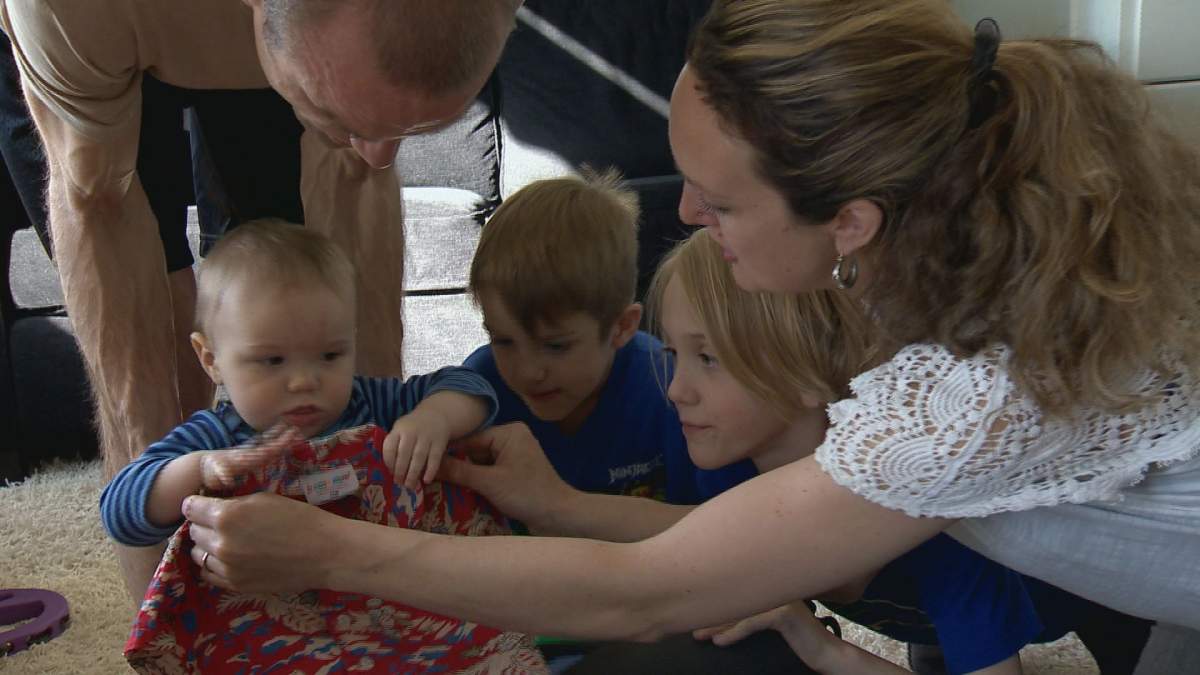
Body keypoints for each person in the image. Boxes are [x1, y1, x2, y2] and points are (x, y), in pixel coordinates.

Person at [180, 1, 1200, 671]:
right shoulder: (975, 242)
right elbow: (724, 549)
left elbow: (648, 591)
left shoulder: (976, 393)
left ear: (850, 224)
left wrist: (335, 550)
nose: (692, 223)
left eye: (716, 202)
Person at [0, 0, 521, 601]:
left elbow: (359, 177)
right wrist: (161, 593)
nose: (381, 156)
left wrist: (376, 477)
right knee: (134, 229)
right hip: (112, 38)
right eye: (339, 112)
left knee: (268, 265)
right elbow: (99, 205)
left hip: (269, 49)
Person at [99, 220, 498, 549]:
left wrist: (434, 418)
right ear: (211, 360)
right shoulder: (216, 438)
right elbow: (118, 510)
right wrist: (197, 470)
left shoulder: (370, 404)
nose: (306, 380)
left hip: (380, 601)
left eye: (330, 355)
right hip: (260, 625)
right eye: (272, 360)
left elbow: (471, 385)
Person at [463, 172, 751, 506]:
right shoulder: (478, 387)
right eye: (503, 341)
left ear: (622, 327)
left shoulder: (672, 388)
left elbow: (727, 523)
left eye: (556, 346)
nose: (529, 371)